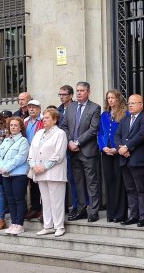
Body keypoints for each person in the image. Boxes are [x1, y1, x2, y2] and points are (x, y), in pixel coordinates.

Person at [61, 81, 101, 222]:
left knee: (92, 182)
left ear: (88, 92)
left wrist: (78, 142)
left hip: (87, 151)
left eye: (82, 90)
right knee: (78, 182)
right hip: (73, 151)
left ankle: (94, 211)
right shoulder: (70, 107)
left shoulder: (95, 108)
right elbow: (64, 126)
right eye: (77, 90)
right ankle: (82, 209)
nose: (78, 93)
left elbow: (93, 129)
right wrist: (70, 142)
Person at [28, 108, 68, 237]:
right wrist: (33, 165)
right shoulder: (39, 133)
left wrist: (44, 167)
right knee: (45, 200)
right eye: (43, 117)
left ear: (55, 119)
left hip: (54, 172)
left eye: (47, 118)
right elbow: (32, 151)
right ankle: (48, 225)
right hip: (39, 172)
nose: (44, 120)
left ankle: (59, 226)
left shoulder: (60, 133)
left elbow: (59, 154)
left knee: (57, 200)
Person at [116, 94, 144, 227]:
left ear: (141, 104)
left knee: (141, 189)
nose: (130, 105)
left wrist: (127, 147)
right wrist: (121, 148)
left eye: (133, 103)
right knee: (130, 189)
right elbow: (117, 135)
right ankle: (133, 215)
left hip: (139, 159)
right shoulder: (125, 119)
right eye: (129, 103)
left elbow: (142, 134)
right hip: (125, 159)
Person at [98, 89, 128, 223]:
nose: (110, 100)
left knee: (119, 183)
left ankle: (120, 214)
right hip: (106, 153)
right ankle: (111, 214)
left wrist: (116, 149)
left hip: (119, 153)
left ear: (118, 99)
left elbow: (125, 134)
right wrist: (103, 147)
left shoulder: (125, 114)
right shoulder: (104, 115)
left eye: (113, 98)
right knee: (109, 182)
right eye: (108, 98)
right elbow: (100, 133)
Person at [0, 117, 30, 235]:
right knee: (10, 200)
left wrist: (7, 168)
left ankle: (19, 224)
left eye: (16, 125)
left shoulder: (23, 141)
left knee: (19, 199)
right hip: (5, 175)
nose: (13, 127)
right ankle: (14, 222)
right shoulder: (6, 140)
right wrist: (1, 167)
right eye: (11, 125)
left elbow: (20, 158)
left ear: (20, 127)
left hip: (18, 174)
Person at [57, 85, 81, 215]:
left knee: (74, 179)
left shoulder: (77, 107)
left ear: (70, 96)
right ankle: (64, 207)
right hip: (62, 149)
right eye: (60, 94)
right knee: (62, 179)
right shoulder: (58, 110)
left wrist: (72, 142)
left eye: (64, 94)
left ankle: (77, 206)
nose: (61, 97)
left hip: (76, 148)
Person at [24, 99, 44, 221]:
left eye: (34, 107)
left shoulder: (43, 120)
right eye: (30, 107)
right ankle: (35, 208)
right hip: (28, 157)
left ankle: (43, 210)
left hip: (41, 156)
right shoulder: (25, 122)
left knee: (42, 184)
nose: (31, 109)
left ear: (39, 109)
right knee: (32, 184)